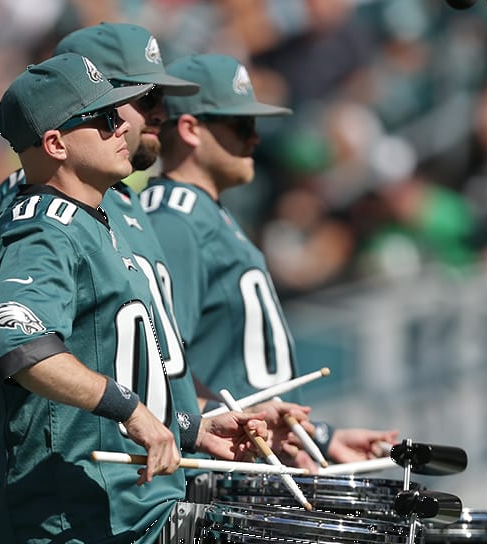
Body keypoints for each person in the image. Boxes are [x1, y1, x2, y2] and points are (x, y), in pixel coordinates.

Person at [0, 53, 267, 544]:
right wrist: (128, 408)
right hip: (71, 536)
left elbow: (115, 355)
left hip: (116, 530)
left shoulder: (97, 220)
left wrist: (189, 426)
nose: (125, 127)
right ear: (54, 143)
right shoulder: (40, 226)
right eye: (102, 119)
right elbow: (24, 347)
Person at [144, 54, 400, 467]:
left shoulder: (207, 213)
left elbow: (248, 380)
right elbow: (159, 368)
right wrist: (223, 426)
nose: (254, 139)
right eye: (242, 125)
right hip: (220, 475)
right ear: (191, 129)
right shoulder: (174, 221)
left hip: (254, 464)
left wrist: (316, 436)